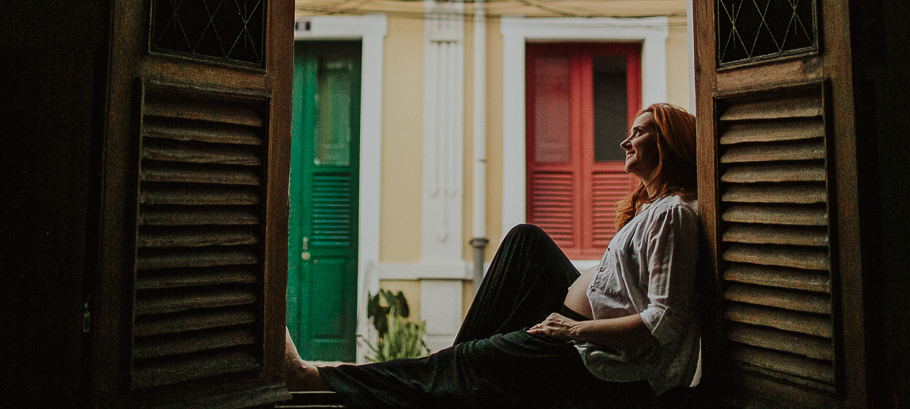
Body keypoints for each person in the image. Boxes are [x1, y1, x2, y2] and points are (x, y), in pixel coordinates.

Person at [285, 103, 700, 408]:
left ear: (668, 143)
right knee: (525, 239)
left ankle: (313, 378)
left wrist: (574, 331)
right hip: (579, 326)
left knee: (459, 365)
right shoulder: (651, 210)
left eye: (639, 132)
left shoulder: (673, 214)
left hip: (599, 356)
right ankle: (457, 372)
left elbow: (663, 321)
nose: (626, 141)